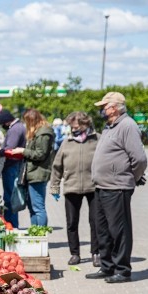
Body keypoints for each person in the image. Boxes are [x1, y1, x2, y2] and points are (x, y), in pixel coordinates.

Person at [87, 92, 148, 283]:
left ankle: (122, 270)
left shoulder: (127, 126)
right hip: (101, 186)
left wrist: (133, 177)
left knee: (119, 231)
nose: (101, 110)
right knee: (102, 230)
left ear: (114, 108)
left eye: (103, 107)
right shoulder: (109, 127)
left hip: (117, 187)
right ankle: (107, 266)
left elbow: (139, 159)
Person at [48, 111, 100, 266]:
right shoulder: (67, 142)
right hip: (71, 187)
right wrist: (55, 186)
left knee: (96, 222)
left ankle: (96, 253)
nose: (74, 129)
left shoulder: (97, 140)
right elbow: (56, 166)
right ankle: (75, 253)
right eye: (72, 126)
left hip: (94, 187)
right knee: (71, 223)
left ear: (86, 124)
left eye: (77, 126)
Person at [11, 109, 55, 227]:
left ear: (32, 121)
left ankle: (41, 237)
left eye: (26, 122)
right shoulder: (38, 132)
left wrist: (23, 151)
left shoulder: (43, 134)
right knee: (32, 208)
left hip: (38, 174)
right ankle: (35, 235)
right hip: (32, 173)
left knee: (38, 208)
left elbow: (40, 154)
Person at [0, 109, 26, 227]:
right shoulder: (19, 127)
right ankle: (11, 224)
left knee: (10, 198)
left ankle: (11, 225)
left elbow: (10, 148)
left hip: (12, 166)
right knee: (11, 196)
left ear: (6, 122)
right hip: (15, 165)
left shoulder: (15, 129)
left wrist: (1, 152)